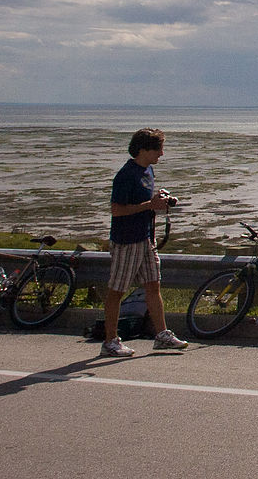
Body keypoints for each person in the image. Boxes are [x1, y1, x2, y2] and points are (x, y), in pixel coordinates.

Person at [100, 128, 188, 357]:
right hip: (127, 240)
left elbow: (145, 201)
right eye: (158, 149)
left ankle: (161, 336)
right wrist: (150, 205)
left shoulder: (147, 170)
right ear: (143, 149)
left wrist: (159, 201)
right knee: (117, 290)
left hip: (146, 238)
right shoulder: (126, 175)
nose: (162, 154)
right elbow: (117, 210)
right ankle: (110, 340)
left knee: (153, 285)